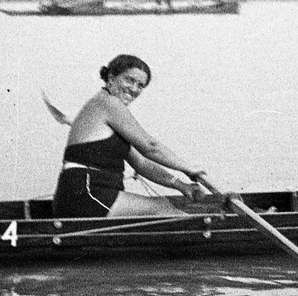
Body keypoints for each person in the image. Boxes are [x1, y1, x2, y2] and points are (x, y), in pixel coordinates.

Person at [53, 54, 206, 218]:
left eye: (140, 85)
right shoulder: (108, 103)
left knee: (162, 207)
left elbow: (142, 163)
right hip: (85, 194)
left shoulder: (107, 109)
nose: (134, 89)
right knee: (161, 208)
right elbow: (150, 147)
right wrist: (188, 168)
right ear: (111, 78)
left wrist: (182, 186)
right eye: (129, 80)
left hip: (85, 194)